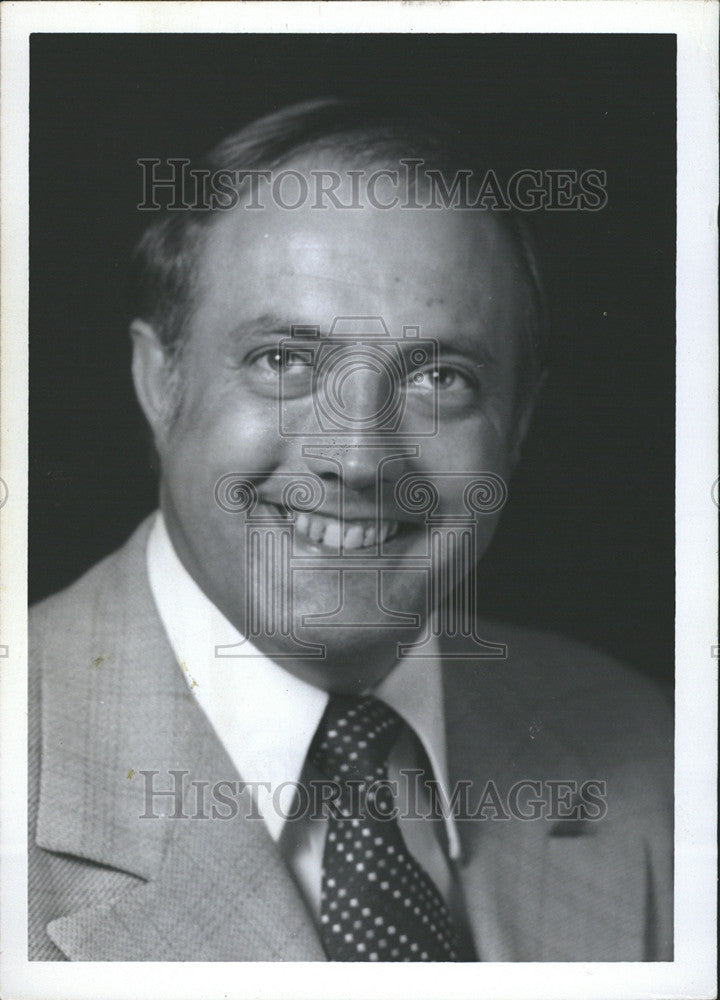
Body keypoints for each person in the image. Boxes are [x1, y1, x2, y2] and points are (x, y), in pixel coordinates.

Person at [28, 99, 672, 962]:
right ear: (159, 382)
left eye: (441, 377)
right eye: (285, 361)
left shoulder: (656, 754)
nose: (361, 456)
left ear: (518, 424)